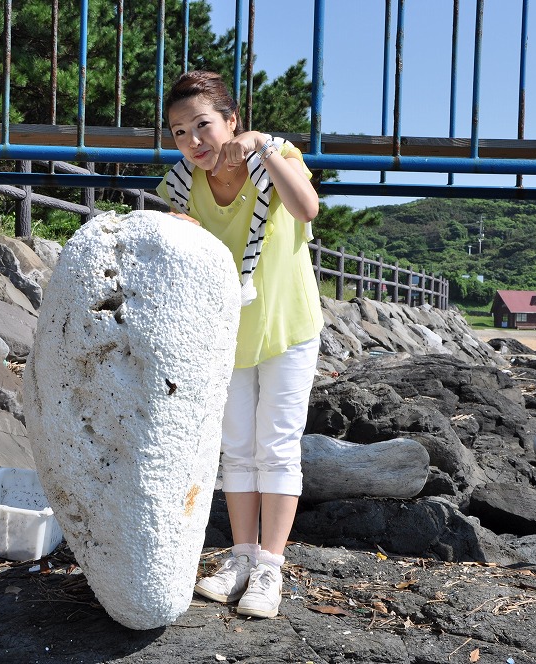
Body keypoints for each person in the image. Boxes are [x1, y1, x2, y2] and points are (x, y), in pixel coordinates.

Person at [156, 70, 323, 619]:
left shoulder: (275, 157)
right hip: (226, 334)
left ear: (232, 121)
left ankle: (271, 566)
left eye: (203, 125)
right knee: (237, 449)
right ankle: (241, 556)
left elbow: (306, 209)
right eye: (179, 132)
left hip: (286, 327)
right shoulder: (181, 185)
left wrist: (265, 147)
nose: (193, 141)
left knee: (278, 446)